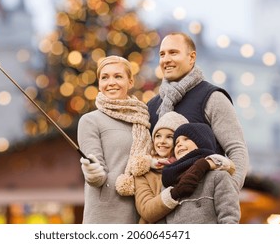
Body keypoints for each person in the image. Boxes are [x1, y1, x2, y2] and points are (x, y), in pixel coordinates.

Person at [147, 32, 249, 191]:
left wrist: (227, 193)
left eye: (173, 52)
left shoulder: (212, 97)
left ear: (191, 57)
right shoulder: (152, 106)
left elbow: (236, 150)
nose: (166, 59)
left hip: (202, 205)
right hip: (160, 207)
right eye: (162, 54)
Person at [77, 55, 153, 224]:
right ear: (99, 84)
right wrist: (92, 171)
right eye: (105, 77)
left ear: (130, 82)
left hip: (142, 210)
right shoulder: (90, 121)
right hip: (107, 214)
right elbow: (97, 175)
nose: (111, 82)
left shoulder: (143, 119)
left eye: (118, 76)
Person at [134, 111, 235, 224]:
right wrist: (176, 192)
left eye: (170, 137)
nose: (162, 141)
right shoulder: (156, 174)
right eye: (158, 136)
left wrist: (203, 164)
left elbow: (229, 215)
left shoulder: (214, 173)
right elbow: (147, 211)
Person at [161, 122, 240, 223]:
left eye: (186, 139)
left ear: (202, 141)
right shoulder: (168, 180)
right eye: (176, 143)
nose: (179, 144)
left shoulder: (218, 177)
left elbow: (229, 216)